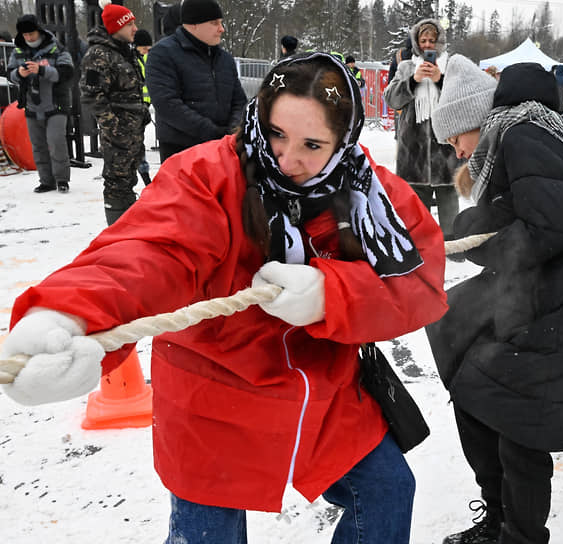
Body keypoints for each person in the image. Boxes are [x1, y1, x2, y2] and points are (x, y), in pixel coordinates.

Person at [0, 51, 448, 544]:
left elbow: (420, 281)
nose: (285, 158)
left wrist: (331, 294)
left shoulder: (373, 196)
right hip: (214, 398)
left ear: (345, 142)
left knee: (387, 491)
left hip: (324, 392)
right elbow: (150, 249)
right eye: (275, 133)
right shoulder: (207, 175)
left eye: (313, 144)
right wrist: (68, 313)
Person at [427, 56, 563, 544]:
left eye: (455, 138)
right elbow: (533, 215)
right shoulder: (526, 134)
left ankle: (519, 535)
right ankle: (498, 520)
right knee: (475, 388)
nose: (456, 151)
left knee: (517, 425)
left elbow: (547, 228)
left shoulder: (523, 135)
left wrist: (473, 231)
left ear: (477, 119)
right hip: (544, 295)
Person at [384, 18, 460, 239]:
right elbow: (391, 99)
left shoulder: (451, 66)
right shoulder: (407, 66)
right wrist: (413, 80)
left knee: (449, 199)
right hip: (413, 147)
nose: (428, 45)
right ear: (416, 42)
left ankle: (453, 245)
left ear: (440, 42)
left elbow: (460, 100)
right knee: (417, 204)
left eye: (432, 40)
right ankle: (421, 244)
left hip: (446, 146)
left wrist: (440, 80)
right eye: (423, 40)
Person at [146, 0, 247, 163]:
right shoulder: (162, 53)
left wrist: (232, 132)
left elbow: (239, 100)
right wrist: (213, 133)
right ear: (193, 24)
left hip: (223, 148)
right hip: (181, 150)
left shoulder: (225, 59)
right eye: (214, 23)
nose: (221, 29)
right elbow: (167, 104)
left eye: (221, 23)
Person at [80, 0, 149, 225]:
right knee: (116, 183)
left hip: (132, 130)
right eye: (129, 24)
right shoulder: (99, 55)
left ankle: (128, 224)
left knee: (127, 180)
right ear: (116, 27)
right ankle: (118, 230)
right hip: (119, 133)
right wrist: (114, 127)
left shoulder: (123, 52)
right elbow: (92, 96)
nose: (135, 29)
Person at [6, 14, 73, 193]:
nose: (29, 37)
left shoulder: (56, 47)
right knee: (38, 145)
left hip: (56, 103)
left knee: (56, 141)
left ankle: (62, 179)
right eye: (25, 34)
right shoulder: (18, 50)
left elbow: (67, 72)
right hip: (32, 105)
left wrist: (43, 70)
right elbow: (10, 75)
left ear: (39, 31)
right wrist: (19, 74)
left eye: (32, 33)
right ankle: (46, 180)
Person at [134, 28, 152, 187]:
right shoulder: (132, 61)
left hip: (143, 107)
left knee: (139, 145)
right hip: (135, 108)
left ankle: (146, 178)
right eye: (144, 47)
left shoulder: (145, 59)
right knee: (137, 146)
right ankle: (146, 179)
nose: (147, 51)